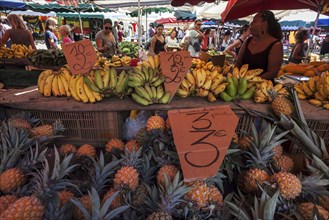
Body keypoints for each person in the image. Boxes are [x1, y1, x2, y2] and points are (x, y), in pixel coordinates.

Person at [236, 10, 283, 80]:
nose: (251, 24)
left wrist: (251, 81)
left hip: (262, 88)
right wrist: (235, 75)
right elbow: (238, 63)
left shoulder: (276, 45)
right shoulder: (248, 41)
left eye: (254, 21)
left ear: (264, 24)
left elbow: (272, 73)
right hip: (240, 85)